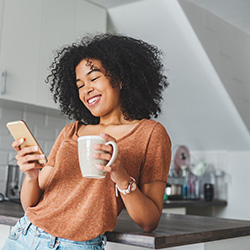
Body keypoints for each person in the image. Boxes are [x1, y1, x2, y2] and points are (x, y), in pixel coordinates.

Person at [3, 33, 171, 249]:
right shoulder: (70, 131)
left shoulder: (150, 134)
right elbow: (30, 204)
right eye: (80, 84)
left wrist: (120, 176)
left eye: (93, 78)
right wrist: (31, 176)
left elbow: (149, 221)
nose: (86, 90)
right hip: (25, 235)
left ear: (120, 78)